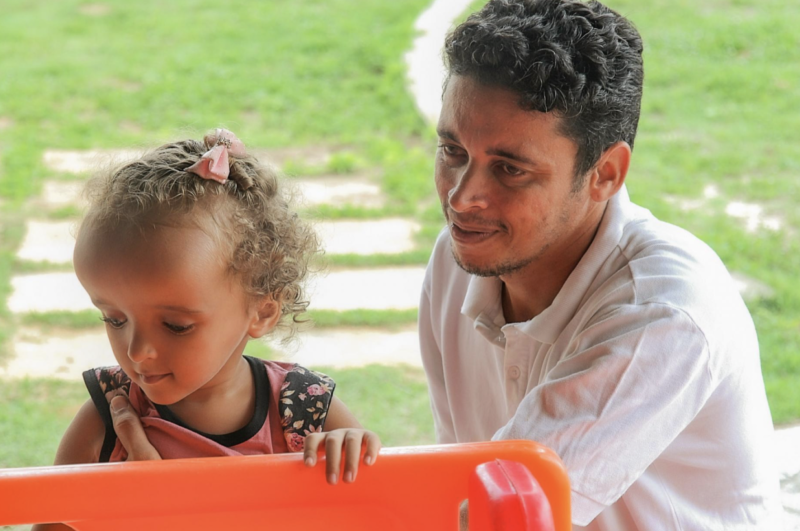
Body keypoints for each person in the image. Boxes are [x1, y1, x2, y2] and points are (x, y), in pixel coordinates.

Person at [420, 0, 783, 529]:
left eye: (510, 169)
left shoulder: (664, 312)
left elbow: (492, 512)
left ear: (605, 173)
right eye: (453, 151)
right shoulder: (460, 260)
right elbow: (459, 483)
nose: (462, 198)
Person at [33, 129, 379, 530]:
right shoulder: (107, 422)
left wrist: (354, 467)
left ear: (263, 312)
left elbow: (389, 513)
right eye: (114, 319)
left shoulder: (304, 413)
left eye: (176, 326)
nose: (137, 350)